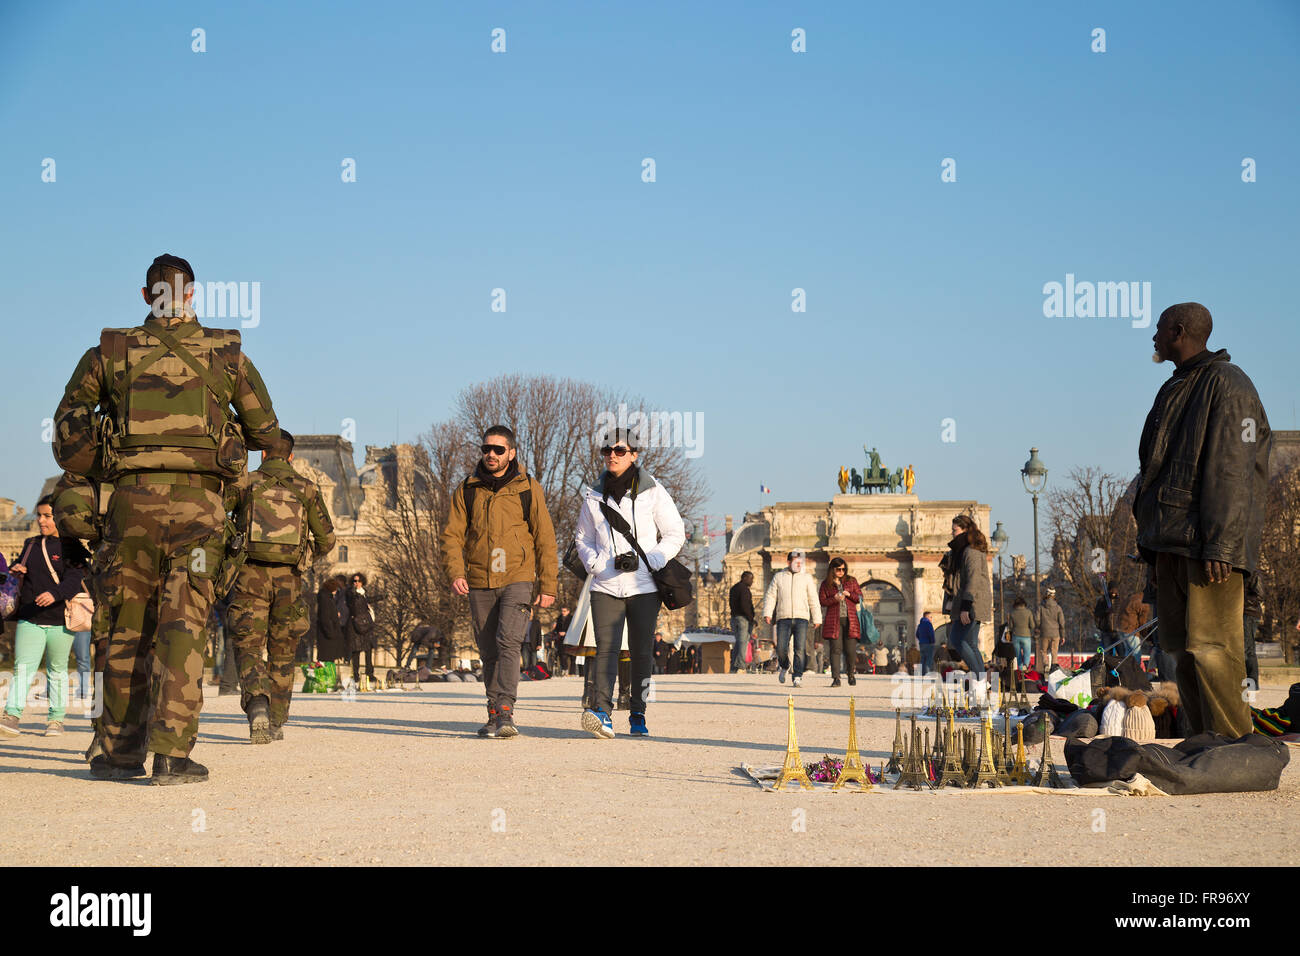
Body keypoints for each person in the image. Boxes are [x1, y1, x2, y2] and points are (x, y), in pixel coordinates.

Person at [53, 254, 280, 784]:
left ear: (144, 295)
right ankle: (172, 757)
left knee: (126, 629)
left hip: (130, 509)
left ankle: (118, 755)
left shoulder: (108, 353)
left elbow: (67, 437)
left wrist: (114, 462)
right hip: (200, 515)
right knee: (185, 627)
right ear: (193, 295)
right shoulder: (228, 356)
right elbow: (268, 435)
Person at [1135, 301, 1271, 738]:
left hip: (1207, 546)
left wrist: (1221, 544)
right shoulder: (1181, 385)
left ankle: (1233, 746)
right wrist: (1153, 547)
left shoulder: (1229, 386)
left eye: (1159, 329)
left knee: (1214, 649)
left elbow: (1233, 472)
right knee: (1180, 650)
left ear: (1178, 331)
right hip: (1173, 541)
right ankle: (1201, 740)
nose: (1153, 337)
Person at [441, 425, 558, 738]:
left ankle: (505, 709)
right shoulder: (467, 489)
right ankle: (494, 711)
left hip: (517, 576)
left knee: (509, 641)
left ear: (512, 453)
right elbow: (451, 536)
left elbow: (545, 536)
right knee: (488, 648)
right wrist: (456, 572)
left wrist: (548, 584)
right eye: (486, 449)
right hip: (479, 578)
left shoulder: (528, 488)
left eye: (498, 449)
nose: (491, 455)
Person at [573, 428, 684, 738]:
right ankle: (603, 713)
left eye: (620, 451)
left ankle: (638, 713)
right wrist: (595, 564)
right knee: (605, 650)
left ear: (634, 455)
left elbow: (676, 532)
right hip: (605, 584)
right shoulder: (593, 494)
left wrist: (655, 559)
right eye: (607, 450)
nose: (612, 455)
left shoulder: (653, 491)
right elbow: (582, 537)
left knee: (641, 653)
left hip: (644, 586)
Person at [226, 430, 335, 743]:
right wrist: (304, 556)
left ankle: (257, 701)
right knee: (283, 651)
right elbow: (327, 539)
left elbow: (217, 520)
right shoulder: (307, 489)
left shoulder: (245, 484)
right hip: (289, 579)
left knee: (248, 643)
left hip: (249, 575)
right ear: (291, 456)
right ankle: (276, 721)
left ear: (261, 454)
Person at [0, 497, 90, 738]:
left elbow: (75, 580)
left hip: (60, 618)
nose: (41, 520)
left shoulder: (71, 547)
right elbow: (20, 568)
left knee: (57, 670)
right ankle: (12, 715)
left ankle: (55, 720)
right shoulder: (30, 544)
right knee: (23, 668)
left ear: (58, 518)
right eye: (39, 515)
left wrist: (55, 594)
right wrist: (17, 569)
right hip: (30, 616)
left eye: (47, 516)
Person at [940, 514, 991, 675]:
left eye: (955, 530)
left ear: (965, 530)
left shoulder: (971, 551)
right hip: (968, 600)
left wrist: (965, 606)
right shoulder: (964, 551)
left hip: (971, 603)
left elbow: (973, 579)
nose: (952, 533)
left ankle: (979, 678)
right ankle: (981, 680)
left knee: (957, 640)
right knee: (971, 643)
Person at [762, 551, 822, 687]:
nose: (798, 565)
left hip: (802, 618)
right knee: (781, 648)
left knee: (799, 648)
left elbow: (813, 598)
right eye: (795, 562)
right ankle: (784, 665)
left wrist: (817, 617)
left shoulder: (807, 578)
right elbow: (771, 595)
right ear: (789, 562)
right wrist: (768, 612)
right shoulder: (778, 577)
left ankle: (797, 675)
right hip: (783, 617)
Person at [818, 557, 862, 687]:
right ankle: (836, 678)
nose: (841, 571)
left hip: (851, 620)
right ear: (832, 569)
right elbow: (822, 601)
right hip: (834, 621)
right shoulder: (826, 584)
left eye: (844, 569)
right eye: (838, 569)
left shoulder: (851, 581)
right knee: (835, 650)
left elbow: (859, 597)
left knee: (850, 650)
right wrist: (834, 599)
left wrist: (849, 595)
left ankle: (851, 674)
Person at [344, 573, 377, 684]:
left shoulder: (363, 593)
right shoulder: (350, 593)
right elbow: (352, 603)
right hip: (355, 625)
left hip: (366, 624)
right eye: (354, 581)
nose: (356, 583)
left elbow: (367, 601)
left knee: (368, 650)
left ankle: (370, 673)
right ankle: (356, 675)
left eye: (358, 581)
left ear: (362, 582)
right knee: (356, 652)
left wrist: (381, 597)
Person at [314, 576, 348, 664]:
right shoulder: (326, 598)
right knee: (327, 661)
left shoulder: (326, 597)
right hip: (328, 637)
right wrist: (331, 633)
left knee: (328, 660)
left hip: (328, 635)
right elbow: (325, 618)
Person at [729, 571, 757, 674]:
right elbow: (745, 606)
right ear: (745, 578)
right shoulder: (744, 590)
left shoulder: (733, 588)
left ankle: (733, 667)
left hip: (734, 617)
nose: (752, 581)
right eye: (751, 579)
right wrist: (751, 618)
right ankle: (740, 666)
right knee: (743, 643)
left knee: (738, 643)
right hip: (743, 619)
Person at [1037, 586, 1066, 673]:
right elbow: (1062, 622)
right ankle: (1053, 668)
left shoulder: (1041, 607)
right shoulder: (1058, 607)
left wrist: (1039, 627)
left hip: (1044, 632)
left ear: (1046, 594)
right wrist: (1063, 635)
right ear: (1054, 595)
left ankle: (1046, 664)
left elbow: (1037, 620)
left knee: (1043, 651)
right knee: (1054, 651)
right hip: (1055, 633)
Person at [1009, 597, 1036, 670]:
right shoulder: (1028, 612)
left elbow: (1010, 626)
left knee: (1018, 655)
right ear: (1024, 604)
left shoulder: (1012, 613)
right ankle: (1025, 666)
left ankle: (1021, 670)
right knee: (1027, 653)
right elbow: (1032, 625)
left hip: (1016, 636)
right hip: (1026, 636)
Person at [915, 611, 936, 675]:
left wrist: (921, 640)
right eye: (930, 617)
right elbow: (931, 634)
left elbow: (917, 634)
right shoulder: (928, 624)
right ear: (927, 617)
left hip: (921, 644)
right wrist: (932, 642)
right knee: (928, 660)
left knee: (922, 659)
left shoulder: (920, 625)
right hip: (928, 644)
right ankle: (927, 674)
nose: (931, 618)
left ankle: (921, 674)